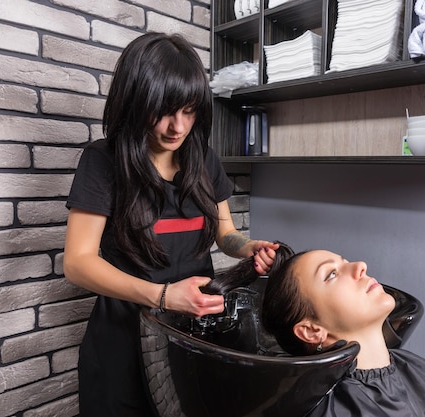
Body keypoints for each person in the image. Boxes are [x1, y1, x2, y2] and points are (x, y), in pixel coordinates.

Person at [63, 32, 278, 417]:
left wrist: (246, 248)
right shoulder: (103, 161)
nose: (177, 127)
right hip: (121, 345)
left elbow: (225, 234)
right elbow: (77, 262)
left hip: (191, 339)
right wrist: (162, 296)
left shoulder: (203, 158)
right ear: (135, 100)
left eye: (189, 110)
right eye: (163, 111)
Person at [260, 248, 425, 417]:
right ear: (312, 330)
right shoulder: (340, 408)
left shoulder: (410, 368)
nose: (360, 266)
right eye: (332, 274)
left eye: (345, 262)